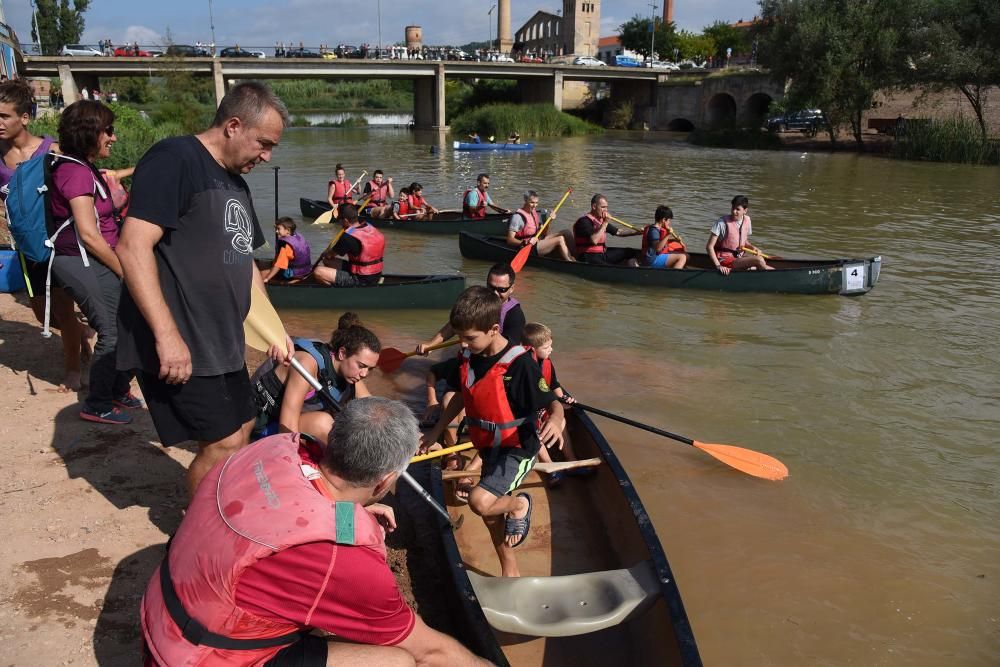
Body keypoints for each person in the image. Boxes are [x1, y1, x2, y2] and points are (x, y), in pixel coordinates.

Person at [141, 397, 489, 666]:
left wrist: (357, 518)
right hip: (196, 656)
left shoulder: (275, 448)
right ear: (384, 481)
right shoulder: (345, 563)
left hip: (164, 616)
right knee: (397, 660)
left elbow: (297, 505)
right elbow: (429, 650)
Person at [115, 81, 292, 497]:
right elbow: (132, 245)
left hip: (222, 337)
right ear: (233, 125)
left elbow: (244, 259)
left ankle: (218, 511)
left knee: (244, 425)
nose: (266, 157)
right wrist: (167, 335)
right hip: (185, 334)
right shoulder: (175, 159)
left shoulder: (236, 183)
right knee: (224, 442)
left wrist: (274, 327)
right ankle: (197, 534)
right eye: (263, 144)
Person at [421, 287, 565, 577]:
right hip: (489, 447)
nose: (462, 343)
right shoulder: (470, 356)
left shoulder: (521, 364)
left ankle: (520, 504)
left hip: (518, 448)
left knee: (479, 501)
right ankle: (509, 567)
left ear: (494, 329)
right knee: (490, 515)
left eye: (469, 338)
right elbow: (464, 395)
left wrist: (557, 420)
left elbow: (552, 403)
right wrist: (436, 431)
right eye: (460, 336)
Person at [44, 100, 139, 423]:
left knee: (130, 322)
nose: (113, 137)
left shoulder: (85, 168)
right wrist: (124, 270)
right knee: (112, 329)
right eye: (108, 131)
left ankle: (117, 388)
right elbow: (89, 234)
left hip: (96, 259)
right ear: (90, 134)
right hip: (82, 260)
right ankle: (97, 403)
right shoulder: (74, 172)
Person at [0, 79, 93, 392]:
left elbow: (82, 186)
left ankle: (72, 370)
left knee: (64, 308)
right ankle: (81, 333)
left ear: (24, 118)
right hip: (29, 248)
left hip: (60, 242)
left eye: (4, 116)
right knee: (43, 313)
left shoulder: (52, 151)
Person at [250, 314, 377, 445]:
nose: (364, 374)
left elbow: (374, 409)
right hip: (260, 426)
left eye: (370, 369)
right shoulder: (307, 365)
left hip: (282, 424)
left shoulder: (351, 372)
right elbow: (287, 427)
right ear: (342, 353)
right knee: (324, 424)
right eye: (362, 366)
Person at [522, 322, 590, 488]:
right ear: (531, 349)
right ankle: (550, 467)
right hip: (525, 414)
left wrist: (565, 399)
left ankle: (571, 461)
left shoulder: (546, 362)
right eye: (546, 348)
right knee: (532, 432)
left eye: (551, 346)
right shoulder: (522, 366)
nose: (551, 350)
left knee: (563, 421)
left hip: (541, 408)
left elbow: (554, 385)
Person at [418, 262, 526, 354]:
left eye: (501, 290)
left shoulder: (515, 316)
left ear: (511, 288)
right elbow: (454, 325)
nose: (495, 293)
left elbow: (510, 350)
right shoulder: (478, 301)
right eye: (491, 287)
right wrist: (430, 345)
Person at [312, 203, 385, 287]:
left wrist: (325, 253)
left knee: (318, 271)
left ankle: (338, 290)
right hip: (377, 273)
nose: (339, 222)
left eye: (339, 219)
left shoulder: (347, 237)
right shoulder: (370, 227)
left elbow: (329, 255)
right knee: (327, 261)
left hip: (361, 279)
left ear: (346, 220)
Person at [705, 194, 773, 275]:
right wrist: (718, 266)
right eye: (733, 208)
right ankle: (767, 279)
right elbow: (709, 246)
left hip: (738, 259)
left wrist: (753, 248)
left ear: (745, 210)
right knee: (759, 260)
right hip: (724, 260)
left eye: (737, 209)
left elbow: (744, 241)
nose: (734, 212)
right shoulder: (721, 223)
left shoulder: (747, 220)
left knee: (772, 269)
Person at [506, 189, 575, 262]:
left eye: (536, 203)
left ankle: (575, 256)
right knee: (560, 239)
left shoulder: (533, 213)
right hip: (528, 246)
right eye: (532, 203)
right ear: (525, 201)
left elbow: (544, 233)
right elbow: (510, 240)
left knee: (567, 232)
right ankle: (571, 262)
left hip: (538, 240)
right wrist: (524, 242)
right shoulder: (517, 217)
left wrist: (550, 220)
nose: (535, 205)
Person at [573, 193, 641, 265]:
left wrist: (637, 232)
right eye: (603, 207)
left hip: (601, 254)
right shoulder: (584, 221)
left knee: (630, 252)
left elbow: (618, 232)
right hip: (587, 256)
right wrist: (605, 223)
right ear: (594, 206)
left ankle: (634, 269)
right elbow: (594, 240)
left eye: (606, 207)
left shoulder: (600, 220)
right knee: (611, 268)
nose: (605, 210)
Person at [261, 216, 312, 283]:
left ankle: (286, 282)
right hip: (306, 270)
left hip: (293, 274)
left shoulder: (285, 247)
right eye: (276, 229)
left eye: (278, 229)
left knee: (262, 274)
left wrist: (267, 279)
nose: (276, 231)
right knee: (266, 264)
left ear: (288, 230)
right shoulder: (298, 236)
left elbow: (278, 266)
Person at [641, 205, 688, 269]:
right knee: (682, 257)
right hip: (652, 261)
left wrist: (674, 240)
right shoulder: (654, 231)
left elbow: (661, 242)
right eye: (668, 220)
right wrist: (668, 234)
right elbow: (658, 248)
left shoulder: (657, 229)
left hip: (656, 256)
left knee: (686, 255)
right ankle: (675, 275)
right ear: (663, 220)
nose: (669, 223)